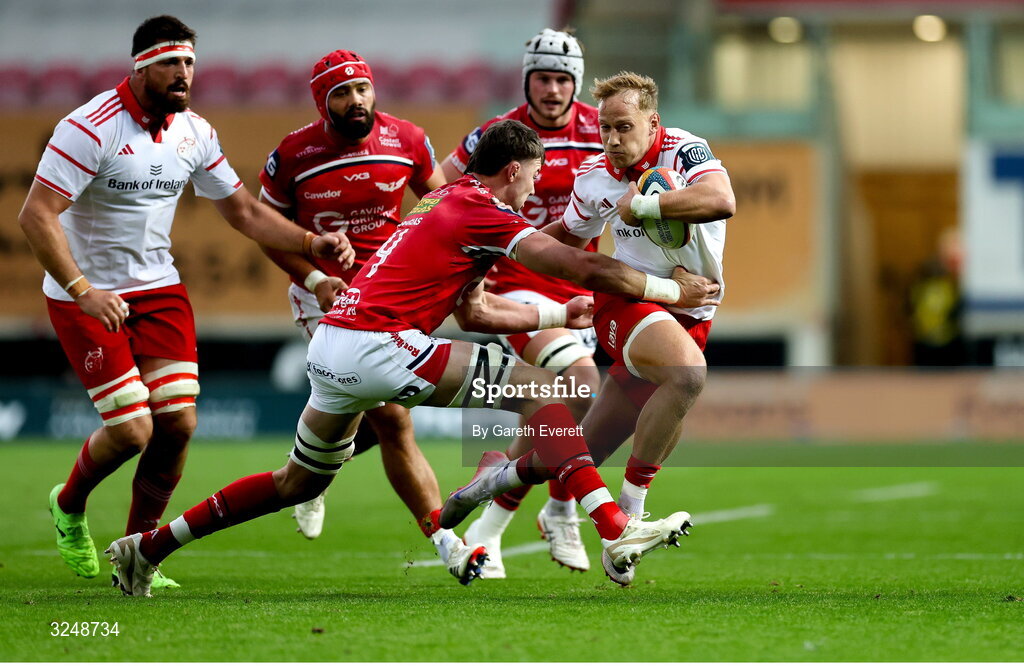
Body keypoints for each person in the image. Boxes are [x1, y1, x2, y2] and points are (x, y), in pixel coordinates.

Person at [105, 119, 716, 597]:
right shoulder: (482, 206)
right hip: (380, 344)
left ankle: (148, 548)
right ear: (511, 170)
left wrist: (561, 315)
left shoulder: (440, 205)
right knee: (542, 392)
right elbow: (576, 263)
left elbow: (476, 315)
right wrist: (670, 291)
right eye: (532, 177)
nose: (536, 190)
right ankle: (614, 527)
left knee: (297, 483)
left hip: (334, 345)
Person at [17, 15, 353, 591]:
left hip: (158, 288)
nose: (184, 73)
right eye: (172, 61)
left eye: (190, 62)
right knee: (131, 432)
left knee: (178, 423)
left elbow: (244, 212)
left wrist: (308, 244)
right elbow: (35, 215)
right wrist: (84, 290)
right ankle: (69, 504)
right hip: (84, 293)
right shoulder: (89, 127)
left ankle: (139, 555)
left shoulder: (195, 131)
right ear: (141, 64)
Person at [256, 49, 481, 581]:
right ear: (322, 101)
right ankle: (446, 541)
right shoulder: (293, 154)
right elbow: (265, 229)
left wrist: (420, 251)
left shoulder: (407, 139)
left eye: (362, 89)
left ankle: (309, 475)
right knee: (392, 418)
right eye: (341, 93)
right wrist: (314, 277)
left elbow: (438, 202)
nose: (355, 100)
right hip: (323, 295)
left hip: (390, 295)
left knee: (370, 415)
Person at [546, 71, 735, 585]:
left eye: (624, 127)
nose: (612, 140)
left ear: (654, 124)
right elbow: (564, 237)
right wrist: (499, 254)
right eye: (605, 128)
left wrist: (646, 204)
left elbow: (721, 200)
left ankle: (499, 492)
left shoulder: (685, 151)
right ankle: (627, 522)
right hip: (625, 301)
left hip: (692, 313)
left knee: (586, 449)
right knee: (687, 376)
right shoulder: (594, 177)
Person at [440, 29, 604, 577]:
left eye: (562, 79)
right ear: (527, 80)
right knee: (580, 385)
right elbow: (436, 187)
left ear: (575, 83)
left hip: (580, 288)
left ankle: (490, 526)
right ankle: (560, 510)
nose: (552, 89)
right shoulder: (499, 133)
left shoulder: (601, 130)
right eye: (543, 78)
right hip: (516, 283)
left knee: (562, 408)